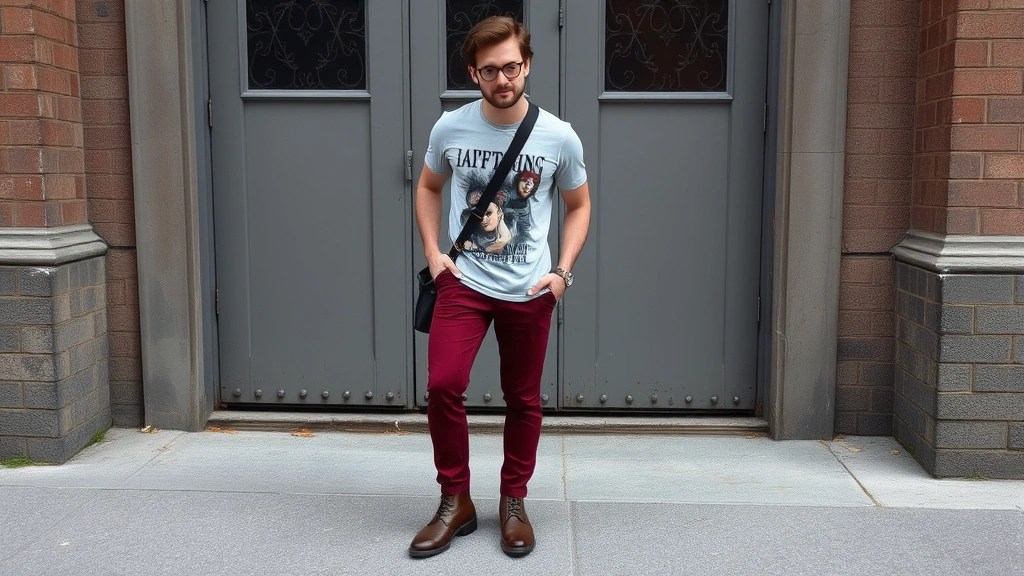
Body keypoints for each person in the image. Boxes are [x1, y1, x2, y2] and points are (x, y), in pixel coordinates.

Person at [410, 16, 590, 559]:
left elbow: (579, 206)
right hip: (463, 283)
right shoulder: (451, 128)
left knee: (523, 398)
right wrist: (433, 255)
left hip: (529, 289)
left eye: (512, 66)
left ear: (527, 64)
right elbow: (427, 186)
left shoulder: (558, 135)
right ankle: (454, 500)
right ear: (473, 73)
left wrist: (562, 274)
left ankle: (513, 500)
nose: (503, 78)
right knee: (443, 385)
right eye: (490, 70)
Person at [461, 190, 511, 254]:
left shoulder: (509, 221)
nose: (483, 219)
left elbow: (506, 239)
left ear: (499, 212)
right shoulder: (471, 230)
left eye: (488, 213)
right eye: (478, 213)